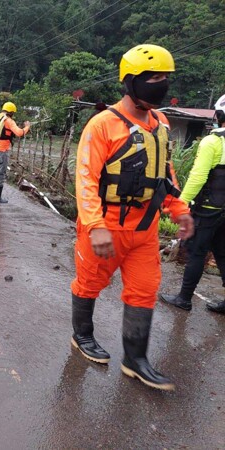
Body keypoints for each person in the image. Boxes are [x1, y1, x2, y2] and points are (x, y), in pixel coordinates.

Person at [69, 44, 194, 391]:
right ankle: (82, 336)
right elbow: (85, 178)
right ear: (131, 81)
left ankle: (135, 359)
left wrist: (179, 208)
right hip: (105, 226)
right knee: (89, 283)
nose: (161, 84)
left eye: (165, 78)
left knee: (144, 290)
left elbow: (164, 175)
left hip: (144, 229)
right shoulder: (103, 125)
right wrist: (94, 225)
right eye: (153, 78)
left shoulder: (162, 124)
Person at [159, 93, 225, 314]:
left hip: (208, 208)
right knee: (222, 252)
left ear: (219, 114)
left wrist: (181, 203)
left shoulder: (213, 141)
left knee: (197, 252)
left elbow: (197, 177)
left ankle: (184, 298)